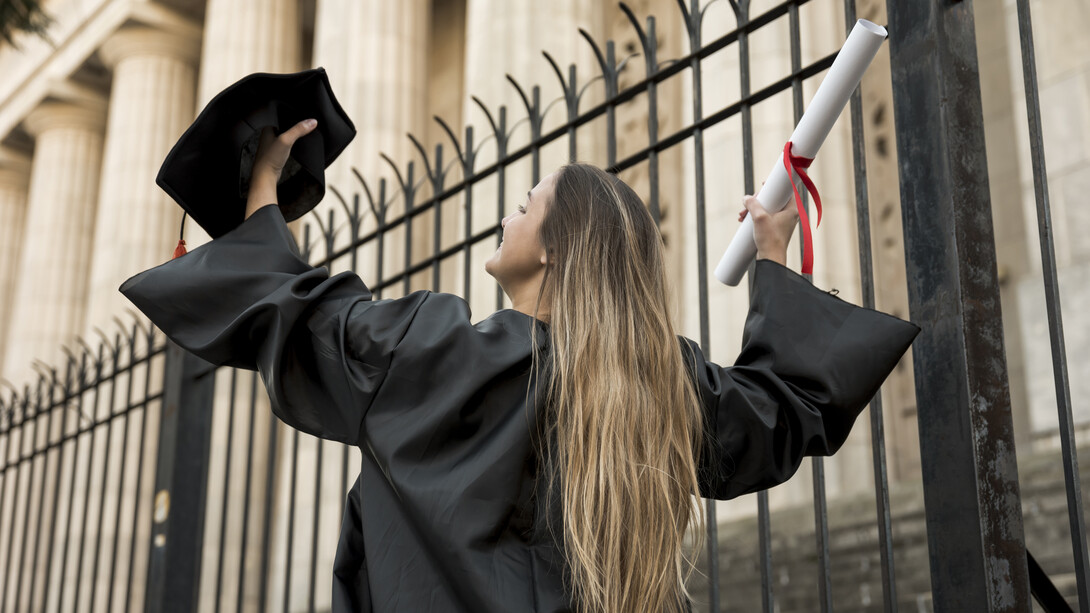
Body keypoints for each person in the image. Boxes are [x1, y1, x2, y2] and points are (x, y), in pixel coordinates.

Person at [121, 119, 918, 613]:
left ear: (558, 245)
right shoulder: (663, 389)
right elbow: (786, 407)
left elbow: (298, 314)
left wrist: (264, 191)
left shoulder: (440, 353)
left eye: (527, 201)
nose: (509, 212)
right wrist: (774, 266)